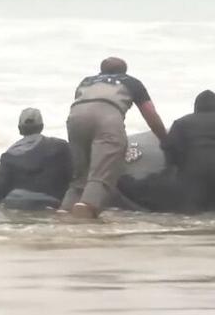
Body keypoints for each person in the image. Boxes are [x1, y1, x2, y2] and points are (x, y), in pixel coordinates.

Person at [61, 57, 168, 218]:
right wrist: (165, 139)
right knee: (103, 170)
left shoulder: (87, 81)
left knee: (80, 174)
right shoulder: (131, 82)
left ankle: (65, 209)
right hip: (107, 117)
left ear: (101, 71)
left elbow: (82, 102)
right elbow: (150, 114)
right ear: (124, 71)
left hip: (75, 119)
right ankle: (87, 207)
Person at [0, 108, 73, 210]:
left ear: (19, 128)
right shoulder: (61, 146)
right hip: (51, 204)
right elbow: (74, 175)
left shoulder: (8, 155)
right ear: (42, 126)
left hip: (16, 205)